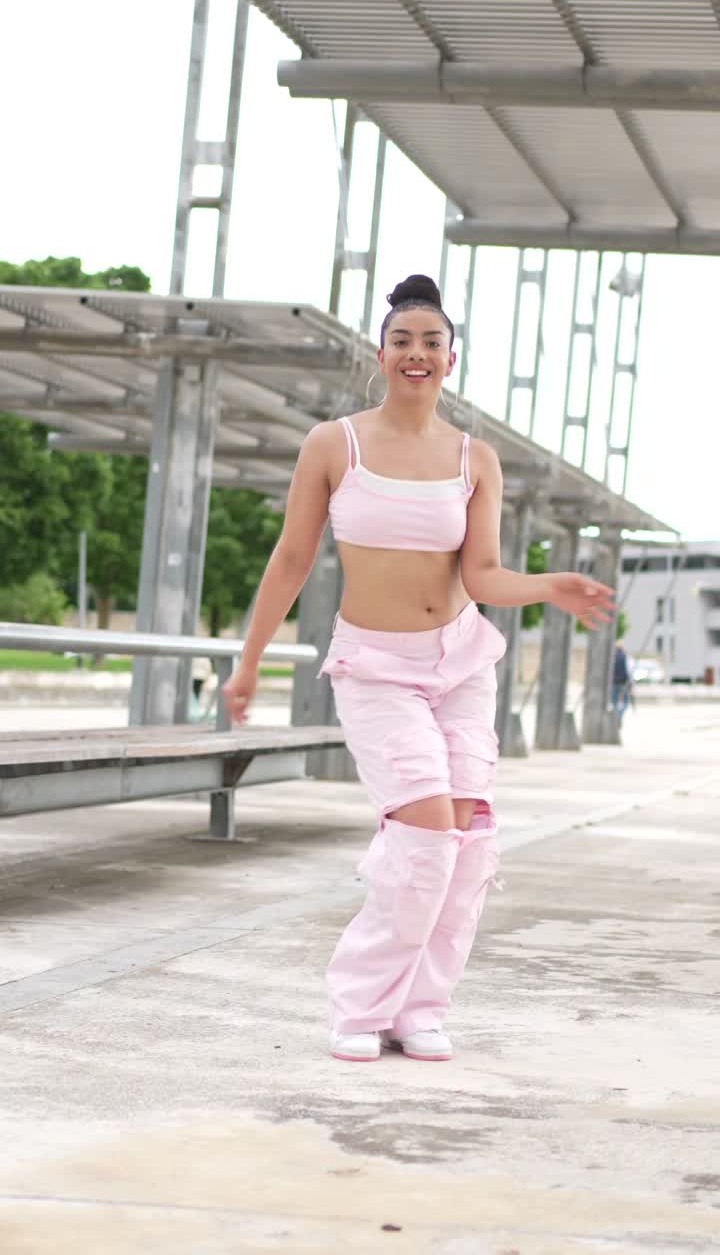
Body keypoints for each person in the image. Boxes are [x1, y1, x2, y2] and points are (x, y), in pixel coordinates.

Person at [223, 274, 614, 1063]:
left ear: (450, 360)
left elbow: (483, 577)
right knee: (425, 831)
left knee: (469, 838)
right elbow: (293, 558)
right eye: (403, 340)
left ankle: (422, 1008)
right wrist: (249, 662)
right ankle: (361, 1007)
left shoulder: (475, 458)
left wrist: (550, 586)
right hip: (377, 665)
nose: (417, 354)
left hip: (462, 662)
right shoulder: (336, 444)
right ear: (382, 354)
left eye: (431, 342)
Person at [612, 640, 632, 726]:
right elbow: (629, 671)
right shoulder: (625, 657)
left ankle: (616, 716)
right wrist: (631, 684)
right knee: (626, 702)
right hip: (624, 683)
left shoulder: (612, 657)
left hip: (614, 683)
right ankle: (619, 715)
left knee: (615, 702)